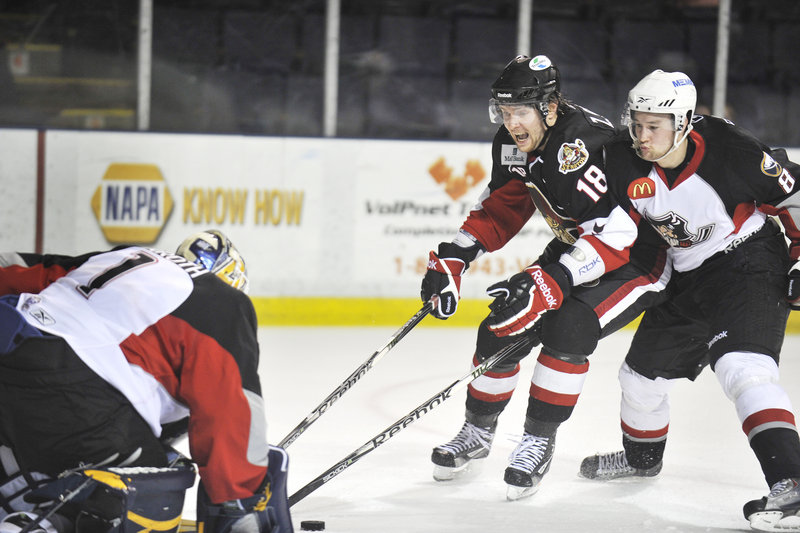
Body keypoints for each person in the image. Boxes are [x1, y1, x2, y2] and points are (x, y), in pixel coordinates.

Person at [484, 68, 800, 531]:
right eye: (636, 123)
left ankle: (790, 484)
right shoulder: (621, 158)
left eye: (654, 126)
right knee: (639, 379)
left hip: (749, 266)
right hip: (687, 278)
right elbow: (598, 226)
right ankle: (643, 459)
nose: (642, 135)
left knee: (743, 370)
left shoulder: (730, 150)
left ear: (685, 122)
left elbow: (794, 195)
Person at [420, 54, 673, 500]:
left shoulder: (581, 145)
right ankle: (477, 433)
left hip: (636, 256)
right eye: (504, 110)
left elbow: (619, 233)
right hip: (581, 243)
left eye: (520, 111)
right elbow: (501, 206)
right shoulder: (513, 142)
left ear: (550, 108)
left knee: (568, 328)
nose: (511, 122)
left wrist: (555, 278)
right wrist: (454, 257)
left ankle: (538, 440)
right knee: (502, 324)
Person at [0, 230, 294, 533]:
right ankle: (46, 524)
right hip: (69, 386)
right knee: (153, 487)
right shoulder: (225, 302)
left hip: (11, 341)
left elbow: (17, 271)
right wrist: (239, 504)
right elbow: (230, 410)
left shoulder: (122, 259)